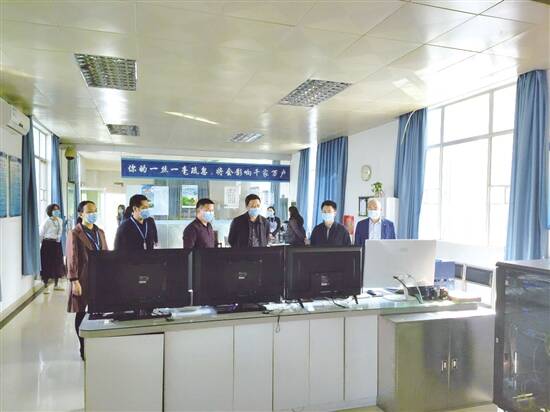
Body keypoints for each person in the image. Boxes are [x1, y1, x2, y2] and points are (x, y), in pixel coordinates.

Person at [67, 200, 108, 361]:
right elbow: (72, 258)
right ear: (81, 214)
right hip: (82, 278)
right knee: (82, 311)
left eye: (95, 211)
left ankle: (95, 343)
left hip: (99, 276)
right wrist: (74, 280)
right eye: (89, 211)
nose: (93, 214)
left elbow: (106, 252)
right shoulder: (75, 233)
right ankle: (83, 346)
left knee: (97, 310)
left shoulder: (100, 232)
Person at [39, 203, 65, 293]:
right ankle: (45, 285)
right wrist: (41, 244)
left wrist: (58, 239)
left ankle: (56, 284)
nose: (56, 211)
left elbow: (60, 232)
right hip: (47, 244)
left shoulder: (60, 220)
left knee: (58, 263)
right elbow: (41, 233)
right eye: (54, 210)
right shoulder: (46, 221)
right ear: (50, 211)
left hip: (57, 243)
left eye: (58, 209)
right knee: (47, 263)